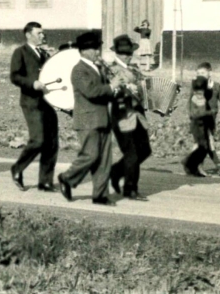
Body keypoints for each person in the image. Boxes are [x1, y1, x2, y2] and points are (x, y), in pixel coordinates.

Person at [58, 31, 120, 205]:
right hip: (87, 120)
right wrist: (111, 86)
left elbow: (105, 92)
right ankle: (67, 178)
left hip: (103, 118)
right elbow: (91, 92)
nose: (97, 52)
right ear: (84, 51)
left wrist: (117, 90)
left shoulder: (98, 68)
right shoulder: (78, 70)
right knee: (90, 155)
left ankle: (100, 195)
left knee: (104, 159)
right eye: (94, 49)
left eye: (97, 48)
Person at [9, 22, 58, 192]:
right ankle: (17, 168)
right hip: (31, 102)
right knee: (38, 140)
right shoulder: (20, 52)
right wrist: (32, 83)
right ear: (29, 35)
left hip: (47, 102)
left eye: (43, 33)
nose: (43, 36)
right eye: (39, 33)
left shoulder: (44, 54)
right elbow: (15, 76)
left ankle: (45, 182)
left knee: (52, 143)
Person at [106, 34, 151, 200]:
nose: (128, 55)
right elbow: (108, 92)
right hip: (121, 116)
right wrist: (123, 90)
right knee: (132, 154)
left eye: (129, 51)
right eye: (124, 52)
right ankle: (130, 189)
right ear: (117, 52)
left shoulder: (135, 70)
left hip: (138, 115)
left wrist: (160, 104)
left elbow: (146, 92)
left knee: (144, 150)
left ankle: (115, 171)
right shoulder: (109, 70)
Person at [198, 62, 220, 175]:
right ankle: (203, 166)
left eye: (203, 73)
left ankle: (218, 166)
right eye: (198, 73)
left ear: (210, 73)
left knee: (208, 143)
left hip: (212, 119)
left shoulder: (217, 86)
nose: (200, 75)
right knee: (207, 141)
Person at [182, 76, 217, 177]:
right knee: (203, 148)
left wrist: (209, 87)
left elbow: (208, 94)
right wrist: (209, 112)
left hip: (200, 125)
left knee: (203, 147)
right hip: (197, 125)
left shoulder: (198, 96)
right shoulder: (197, 98)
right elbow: (196, 114)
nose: (201, 93)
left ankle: (190, 165)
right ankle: (189, 163)